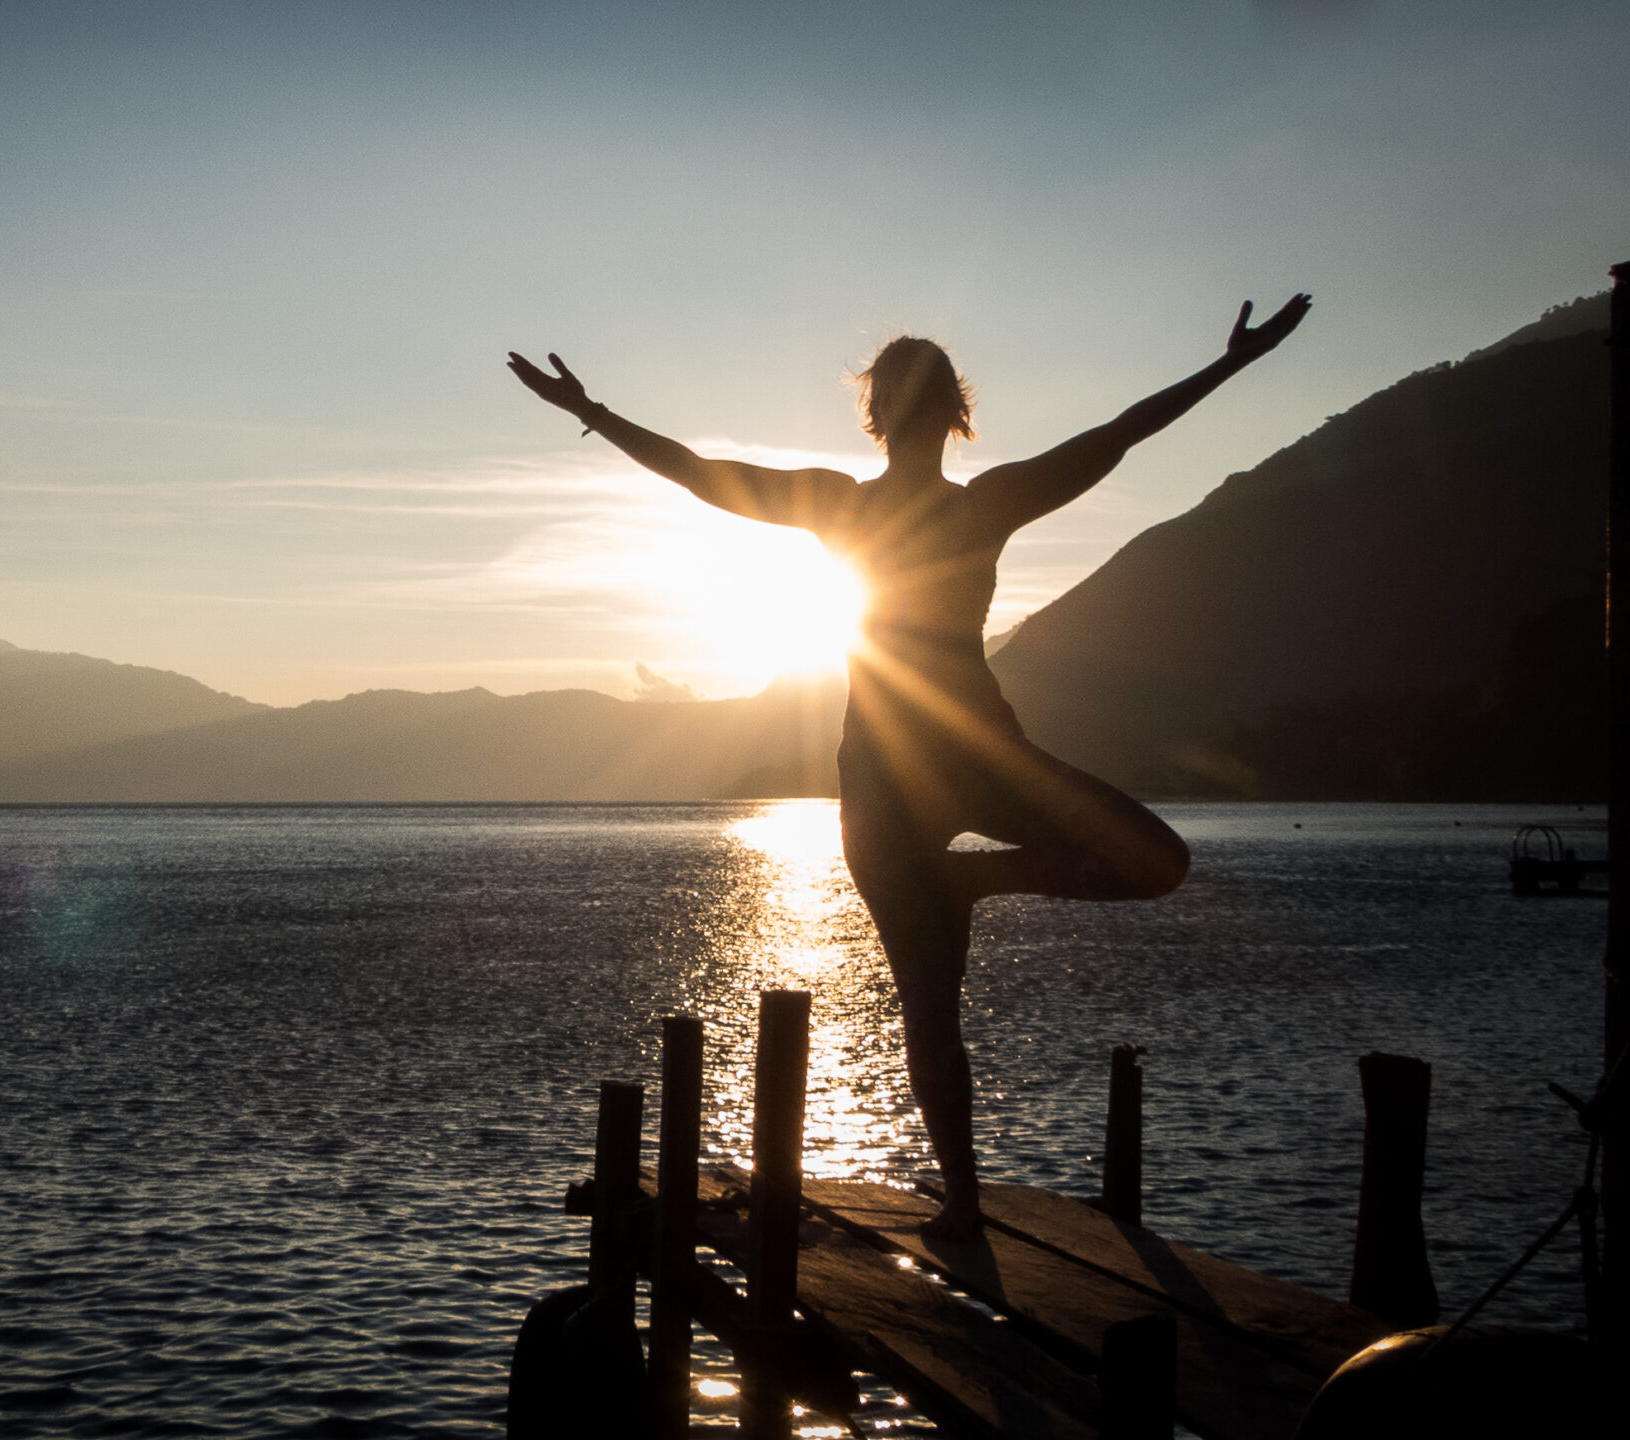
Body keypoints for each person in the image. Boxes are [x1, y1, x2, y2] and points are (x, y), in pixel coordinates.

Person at [508, 295, 1311, 1238]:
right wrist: (591, 413)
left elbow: (1119, 435)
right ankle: (964, 1204)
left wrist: (1231, 367)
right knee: (930, 1007)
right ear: (898, 415)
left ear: (921, 414)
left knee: (1148, 865)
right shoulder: (884, 507)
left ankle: (972, 883)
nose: (913, 410)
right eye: (907, 395)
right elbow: (705, 477)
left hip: (972, 762)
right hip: (899, 784)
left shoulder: (953, 503)